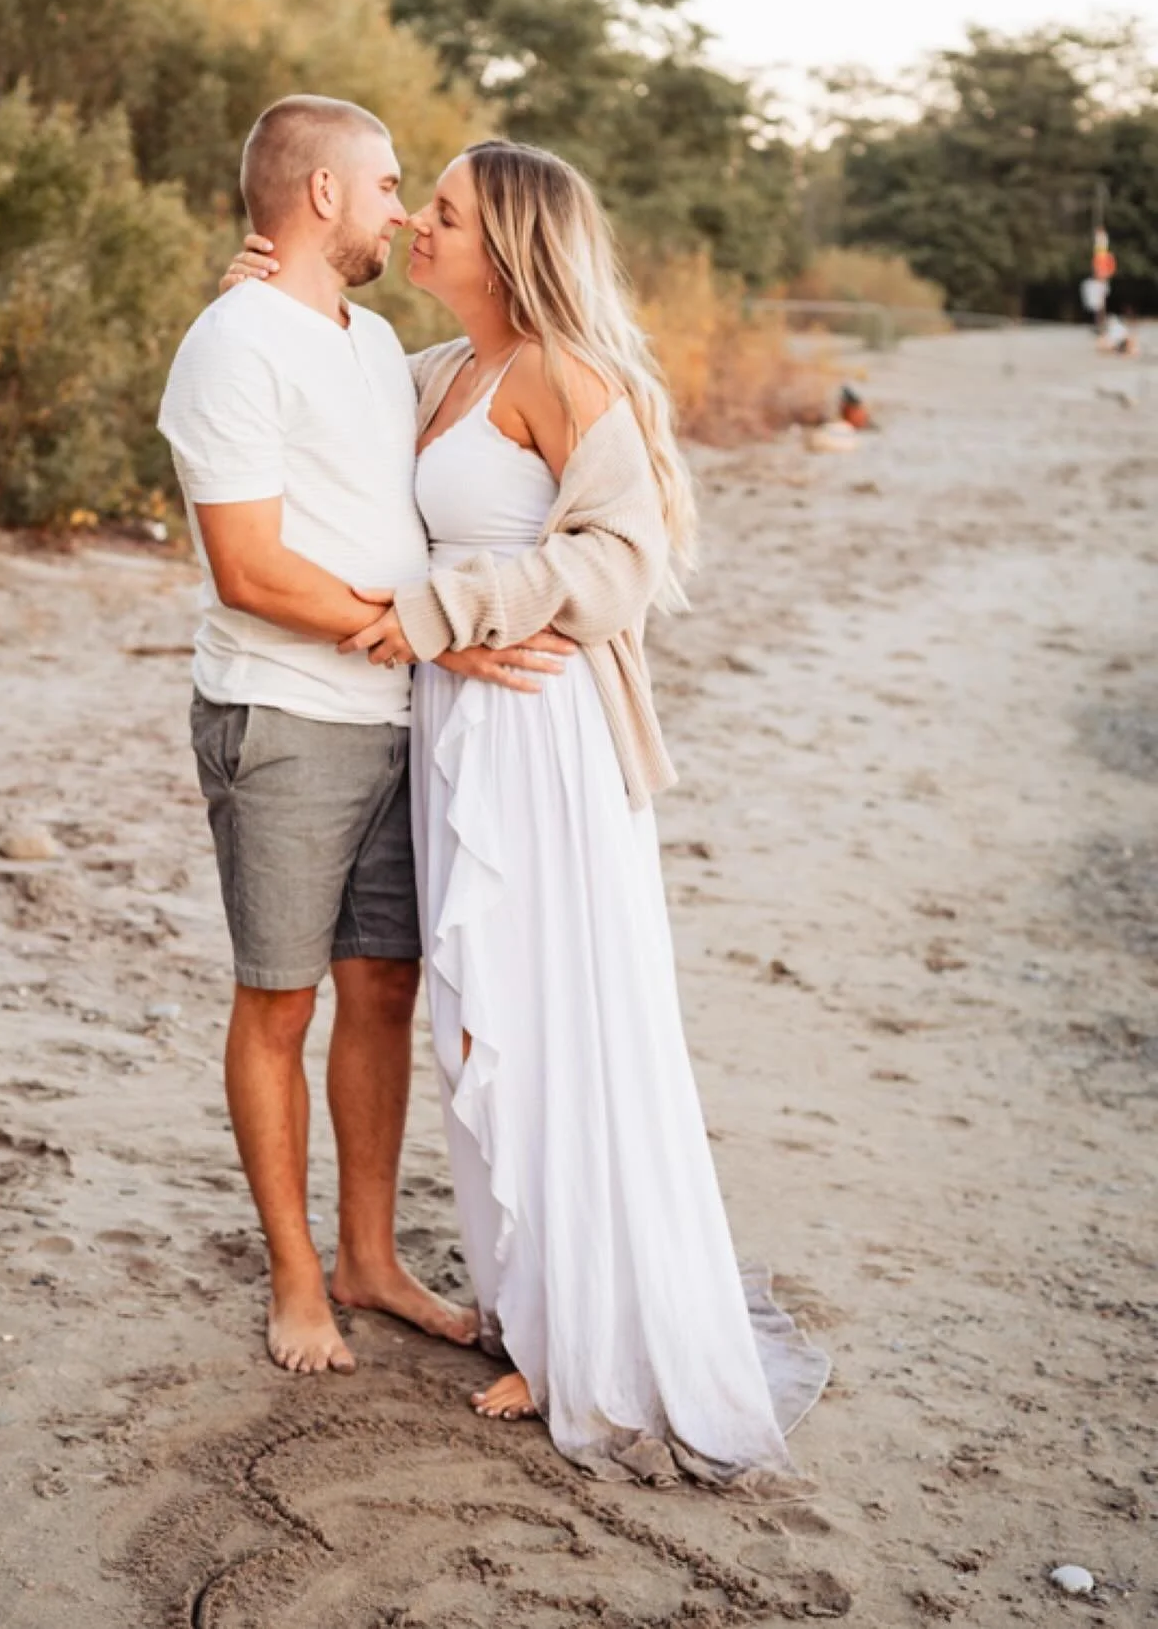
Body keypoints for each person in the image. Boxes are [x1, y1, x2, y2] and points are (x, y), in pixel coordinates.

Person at [217, 136, 829, 1491]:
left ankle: (578, 1342)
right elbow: (316, 412)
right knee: (480, 1011)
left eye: (443, 212)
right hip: (452, 728)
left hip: (542, 730)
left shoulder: (565, 373)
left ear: (508, 245)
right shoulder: (436, 374)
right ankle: (536, 1302)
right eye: (415, 204)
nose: (421, 226)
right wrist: (268, 289)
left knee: (551, 1016)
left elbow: (620, 562)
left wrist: (442, 617)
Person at [156, 97, 572, 1379]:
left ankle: (370, 1257)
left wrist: (428, 649)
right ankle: (296, 1276)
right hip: (283, 719)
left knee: (381, 987)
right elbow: (249, 570)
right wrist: (432, 634)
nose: (403, 210)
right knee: (277, 999)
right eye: (389, 186)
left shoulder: (374, 336)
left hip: (397, 718)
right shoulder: (230, 348)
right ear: (321, 196)